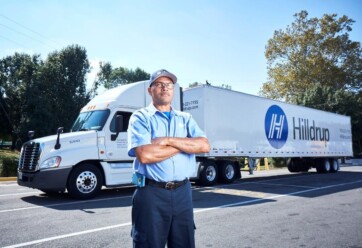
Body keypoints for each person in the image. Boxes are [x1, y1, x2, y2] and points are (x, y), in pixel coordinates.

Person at [127, 69, 210, 248]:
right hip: (151, 193)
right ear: (150, 90)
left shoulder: (185, 118)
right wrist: (184, 145)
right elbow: (145, 155)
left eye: (168, 85)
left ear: (173, 89)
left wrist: (168, 141)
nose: (164, 88)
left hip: (183, 192)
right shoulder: (141, 117)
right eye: (159, 84)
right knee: (148, 243)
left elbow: (204, 145)